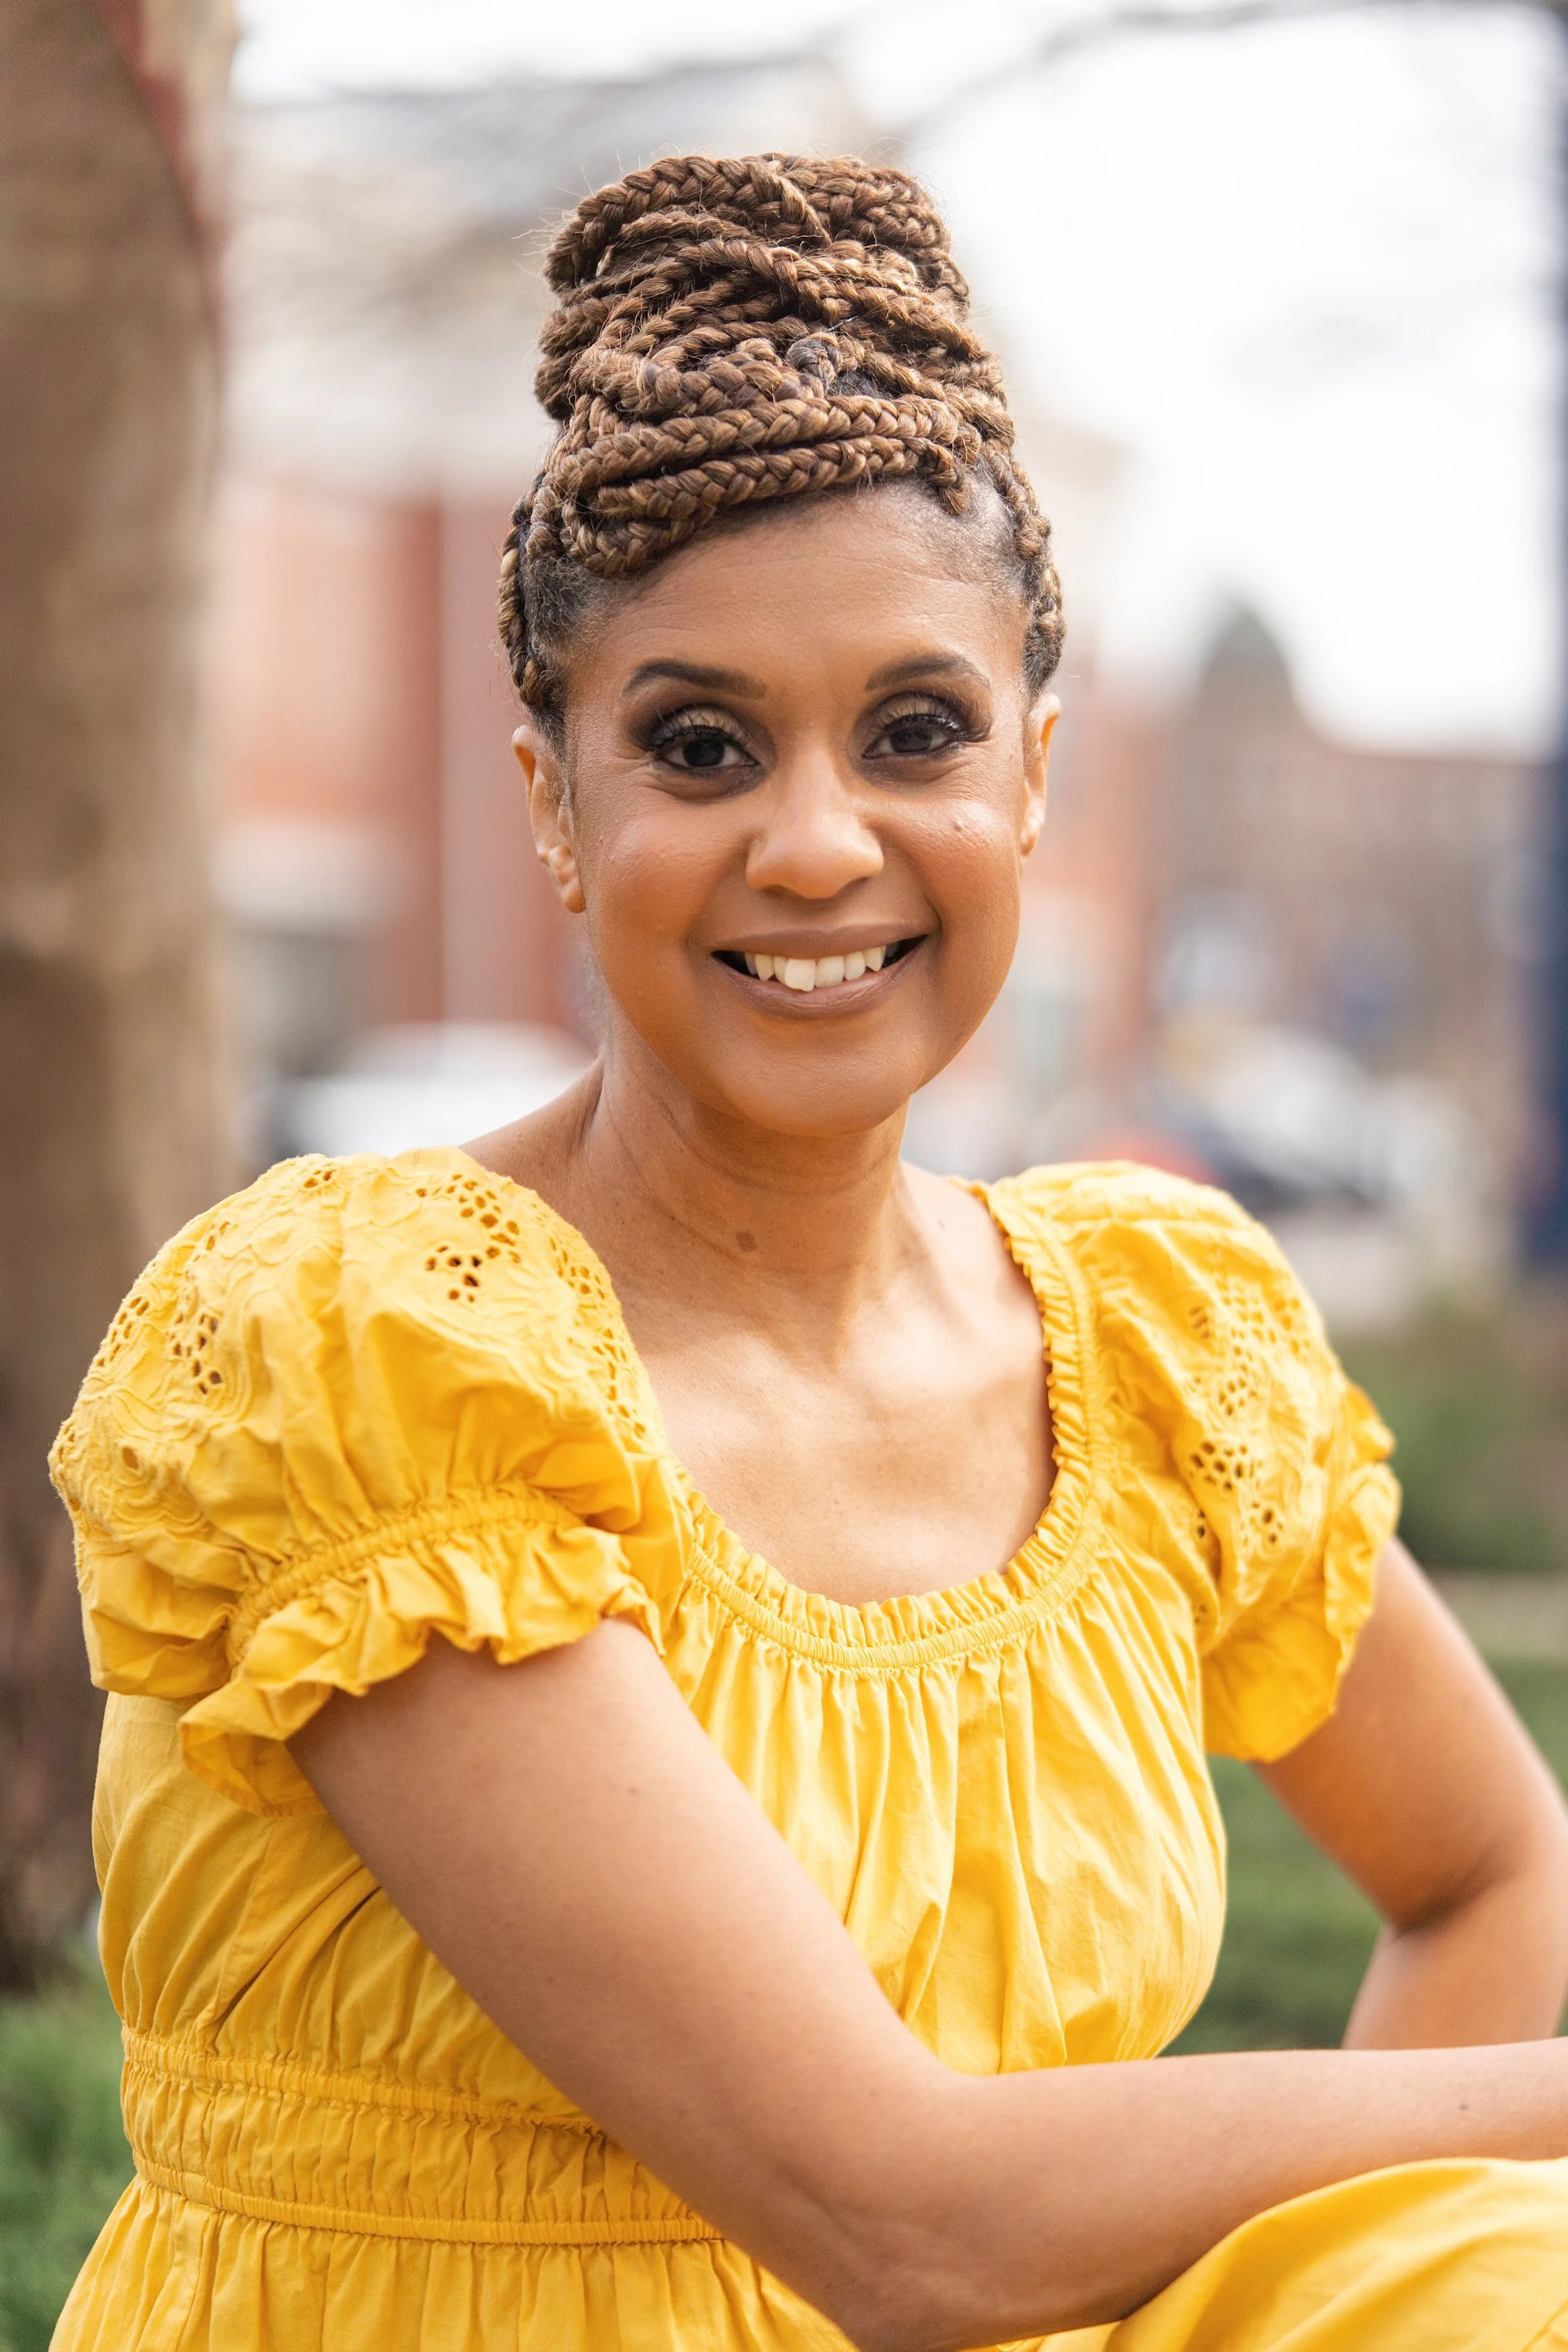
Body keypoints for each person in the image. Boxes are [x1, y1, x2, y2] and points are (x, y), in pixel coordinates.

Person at [48, 154, 1568, 2352]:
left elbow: (1492, 1868)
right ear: (556, 804)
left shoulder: (1146, 1338)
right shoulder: (367, 1348)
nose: (820, 840)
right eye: (697, 744)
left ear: (1034, 778)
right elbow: (905, 2221)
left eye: (917, 731)